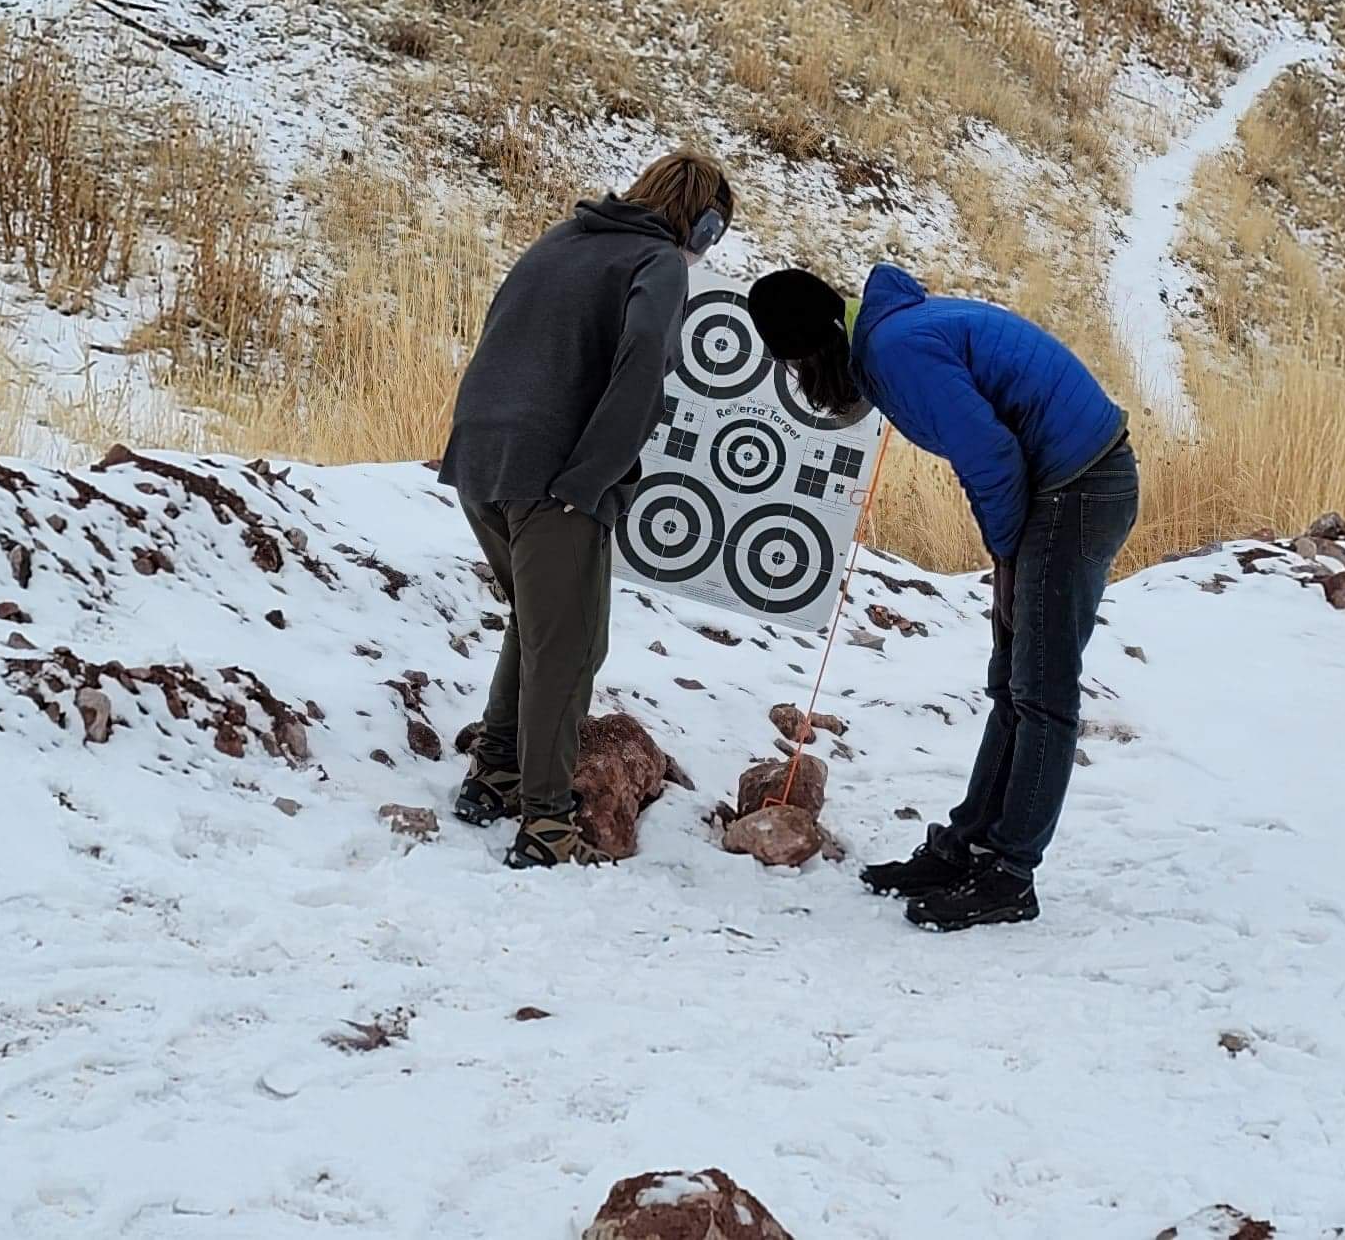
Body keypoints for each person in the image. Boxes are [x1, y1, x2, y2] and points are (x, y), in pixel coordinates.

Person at [748, 264, 1138, 931]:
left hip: (1080, 486)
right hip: (1062, 484)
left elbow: (990, 455)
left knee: (1041, 692)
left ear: (818, 347)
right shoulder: (887, 337)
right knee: (1013, 683)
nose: (801, 383)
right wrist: (1009, 554)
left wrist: (1007, 556)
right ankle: (968, 848)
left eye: (797, 367)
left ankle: (1010, 874)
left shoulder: (895, 350)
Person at [440, 151, 734, 867]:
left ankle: (495, 771)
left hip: (481, 458)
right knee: (571, 649)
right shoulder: (659, 262)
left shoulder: (564, 237)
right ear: (702, 224)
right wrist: (591, 478)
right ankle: (545, 822)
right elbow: (643, 362)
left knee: (538, 625)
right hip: (553, 474)